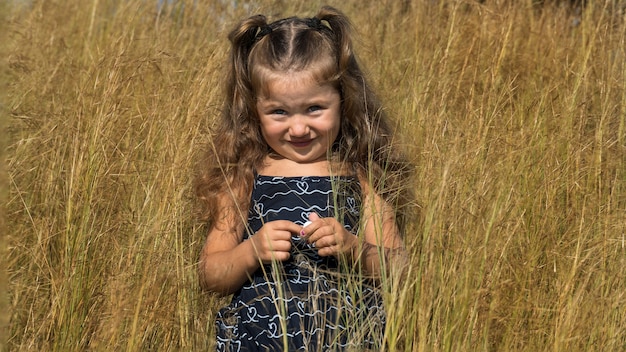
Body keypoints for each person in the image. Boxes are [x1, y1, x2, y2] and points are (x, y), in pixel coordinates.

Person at [195, 5, 413, 351]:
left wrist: (354, 248)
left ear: (343, 100)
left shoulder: (361, 174)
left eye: (314, 109)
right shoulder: (243, 175)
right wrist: (251, 252)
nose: (298, 128)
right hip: (259, 340)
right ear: (255, 110)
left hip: (349, 339)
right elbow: (210, 274)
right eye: (279, 112)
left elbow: (400, 267)